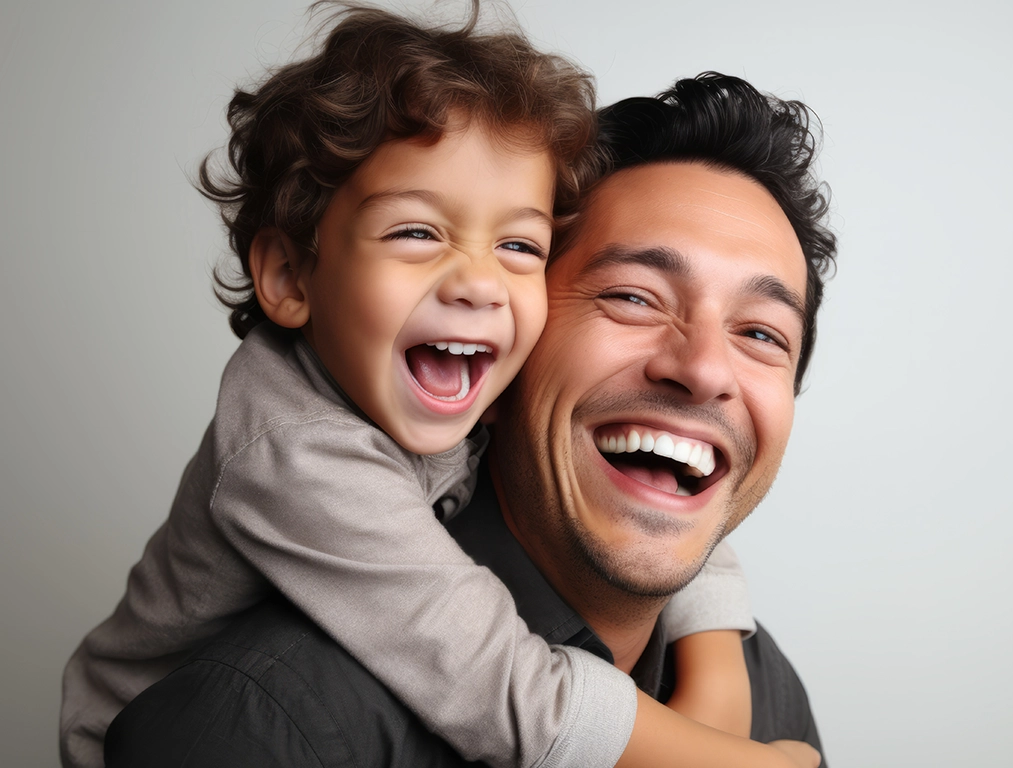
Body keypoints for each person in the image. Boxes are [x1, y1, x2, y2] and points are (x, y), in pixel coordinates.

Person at [59, 5, 778, 768]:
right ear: (289, 274)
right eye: (417, 232)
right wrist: (744, 758)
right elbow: (505, 689)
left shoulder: (463, 375)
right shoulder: (297, 450)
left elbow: (660, 469)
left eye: (518, 244)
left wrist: (716, 660)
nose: (478, 283)